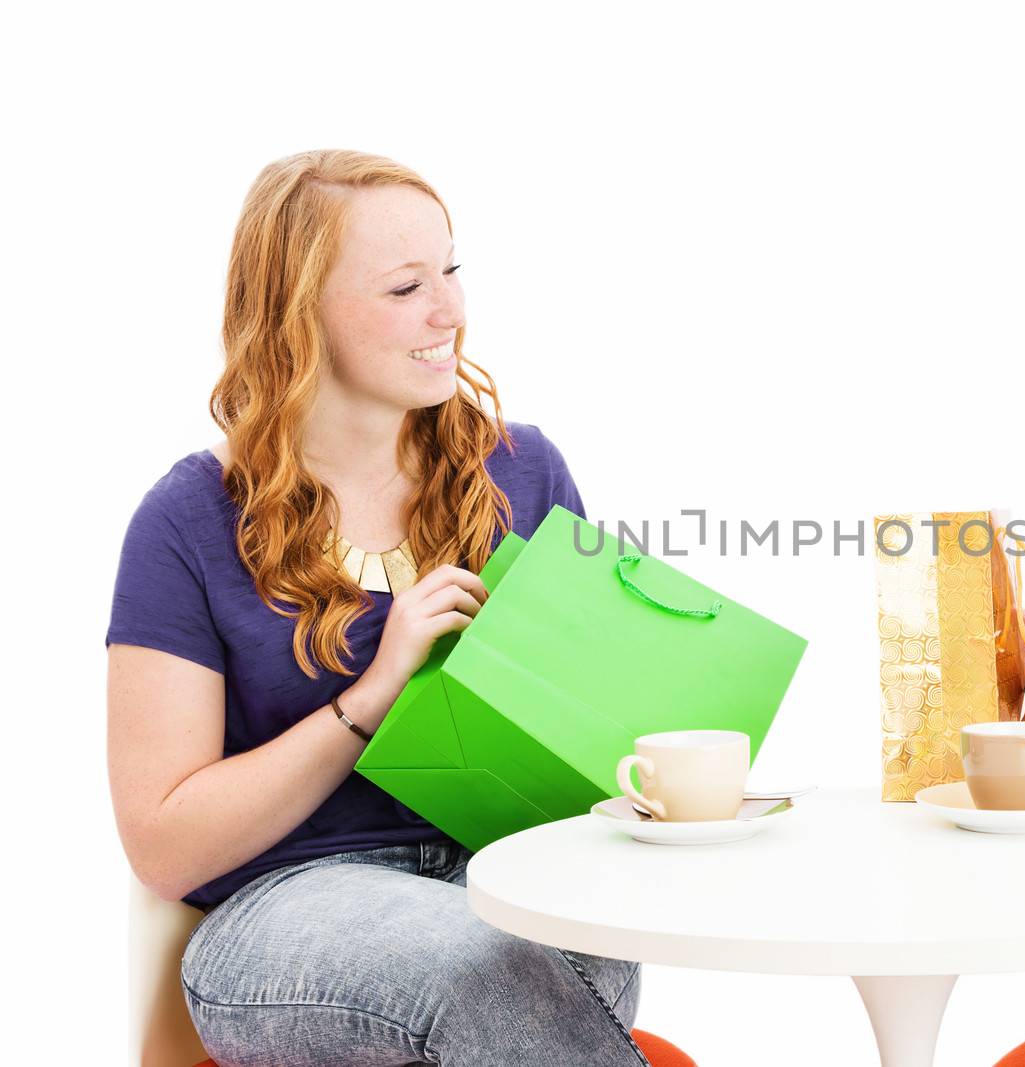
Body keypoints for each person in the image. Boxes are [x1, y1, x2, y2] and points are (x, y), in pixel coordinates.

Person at [106, 149, 645, 1066]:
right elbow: (163, 845)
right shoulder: (187, 520)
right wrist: (377, 692)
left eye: (451, 271)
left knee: (550, 943)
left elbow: (592, 741)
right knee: (486, 969)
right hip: (285, 908)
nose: (451, 312)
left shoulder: (525, 470)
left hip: (509, 877)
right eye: (404, 288)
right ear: (297, 318)